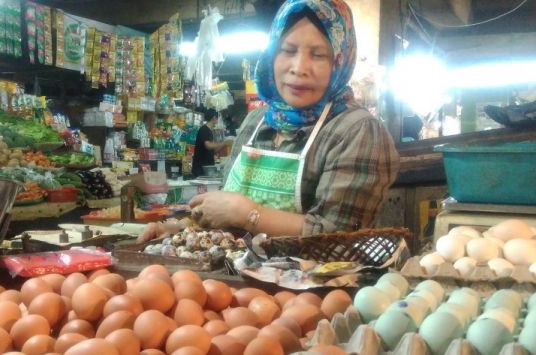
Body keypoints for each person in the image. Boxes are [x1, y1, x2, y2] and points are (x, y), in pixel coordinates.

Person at [140, 0, 399, 241]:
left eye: (318, 55)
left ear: (339, 62)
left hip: (312, 287)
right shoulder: (257, 121)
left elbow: (339, 235)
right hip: (236, 281)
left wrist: (248, 214)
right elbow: (223, 215)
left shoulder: (356, 130)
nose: (299, 67)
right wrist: (179, 230)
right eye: (288, 50)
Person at [191, 108, 232, 177]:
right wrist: (224, 143)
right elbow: (208, 145)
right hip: (200, 169)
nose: (218, 121)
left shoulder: (210, 131)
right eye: (218, 118)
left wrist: (224, 144)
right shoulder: (204, 129)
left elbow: (213, 150)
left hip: (207, 168)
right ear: (214, 118)